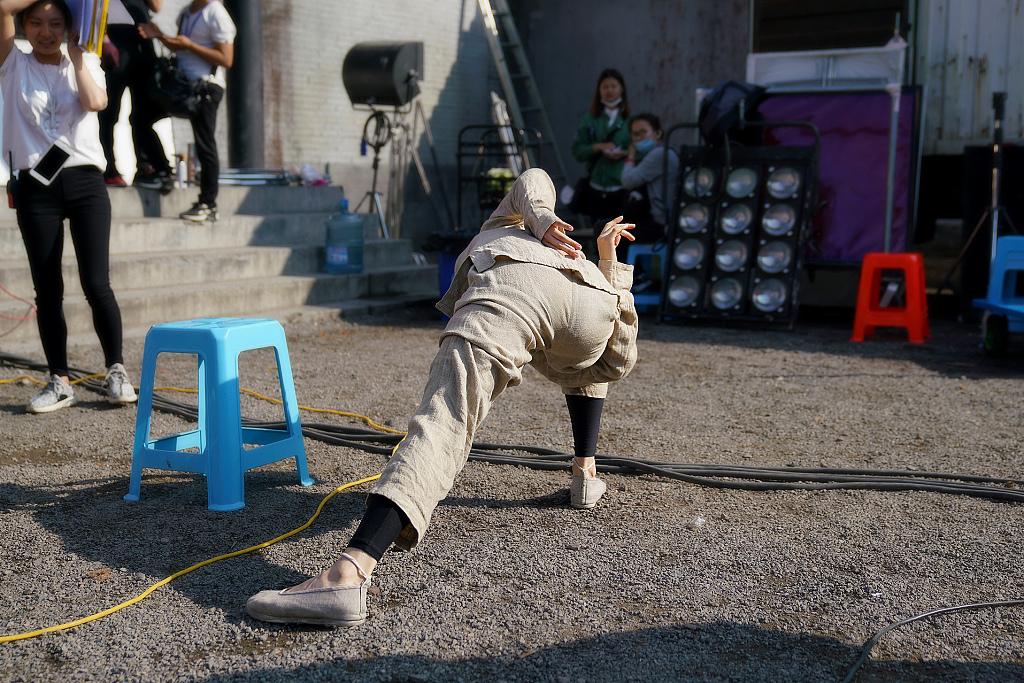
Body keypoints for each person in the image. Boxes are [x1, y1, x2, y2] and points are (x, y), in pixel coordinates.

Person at [245, 168, 639, 627]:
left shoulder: (503, 227)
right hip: (594, 303)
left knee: (446, 419)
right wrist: (607, 264)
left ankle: (347, 576)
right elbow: (611, 361)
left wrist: (544, 217)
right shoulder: (576, 260)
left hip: (513, 289)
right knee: (581, 367)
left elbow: (534, 178)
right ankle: (584, 473)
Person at [1, 0, 137, 413]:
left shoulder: (87, 59)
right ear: (24, 25)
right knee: (48, 289)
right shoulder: (12, 63)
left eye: (56, 22)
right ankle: (58, 379)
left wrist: (77, 57)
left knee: (97, 283)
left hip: (84, 182)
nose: (46, 31)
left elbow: (95, 102)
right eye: (37, 22)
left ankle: (116, 369)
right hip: (35, 187)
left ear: (69, 25)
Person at [139, 0, 234, 223]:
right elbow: (178, 46)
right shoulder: (186, 12)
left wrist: (191, 45)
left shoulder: (216, 14)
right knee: (141, 118)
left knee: (205, 144)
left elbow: (226, 59)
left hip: (205, 88)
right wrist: (160, 35)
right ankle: (162, 170)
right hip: (181, 85)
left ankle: (208, 204)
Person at [98, 0, 173, 193]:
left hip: (142, 43)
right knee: (109, 112)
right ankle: (108, 169)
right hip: (114, 39)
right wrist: (103, 39)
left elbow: (156, 6)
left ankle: (149, 167)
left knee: (142, 114)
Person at [620, 113, 680, 294]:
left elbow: (628, 180)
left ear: (657, 134)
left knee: (611, 232)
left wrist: (629, 157)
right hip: (659, 218)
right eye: (635, 134)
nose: (638, 138)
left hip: (664, 224)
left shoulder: (658, 155)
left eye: (643, 132)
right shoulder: (658, 154)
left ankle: (631, 280)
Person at [569, 68, 632, 226]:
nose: (609, 90)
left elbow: (640, 151)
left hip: (621, 186)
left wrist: (624, 153)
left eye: (613, 86)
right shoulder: (590, 120)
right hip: (596, 186)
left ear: (621, 89)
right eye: (605, 87)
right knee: (598, 234)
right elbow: (577, 151)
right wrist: (597, 147)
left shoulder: (630, 121)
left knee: (620, 235)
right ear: (599, 91)